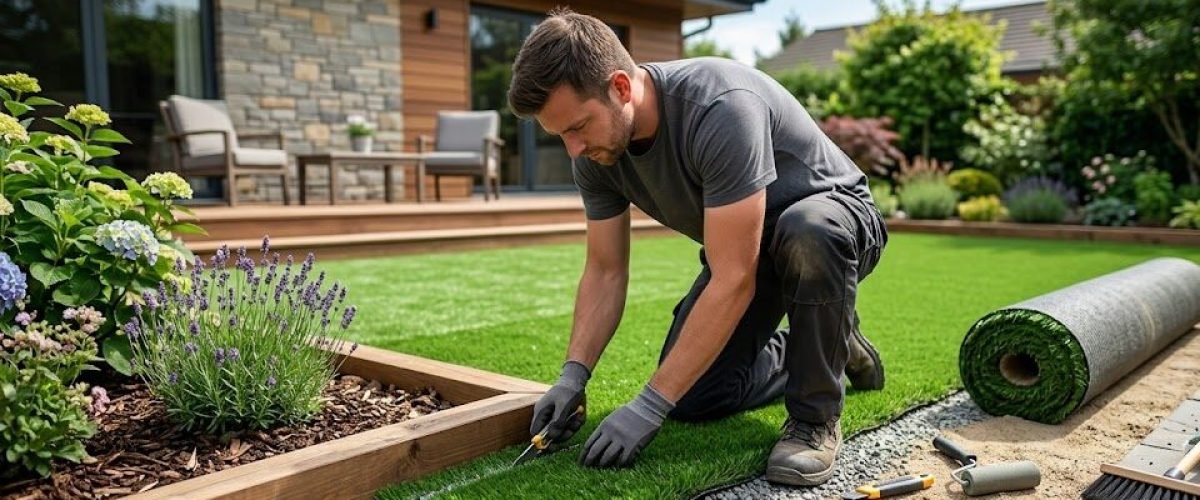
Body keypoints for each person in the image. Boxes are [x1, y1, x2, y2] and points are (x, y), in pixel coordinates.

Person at [508, 8, 888, 486]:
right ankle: (827, 339)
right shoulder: (595, 156)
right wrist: (573, 375)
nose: (573, 150)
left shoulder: (719, 107)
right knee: (693, 397)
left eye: (578, 127)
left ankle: (814, 422)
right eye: (560, 134)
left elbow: (733, 278)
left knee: (805, 230)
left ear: (621, 88)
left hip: (835, 224)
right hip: (751, 252)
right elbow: (605, 271)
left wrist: (646, 406)